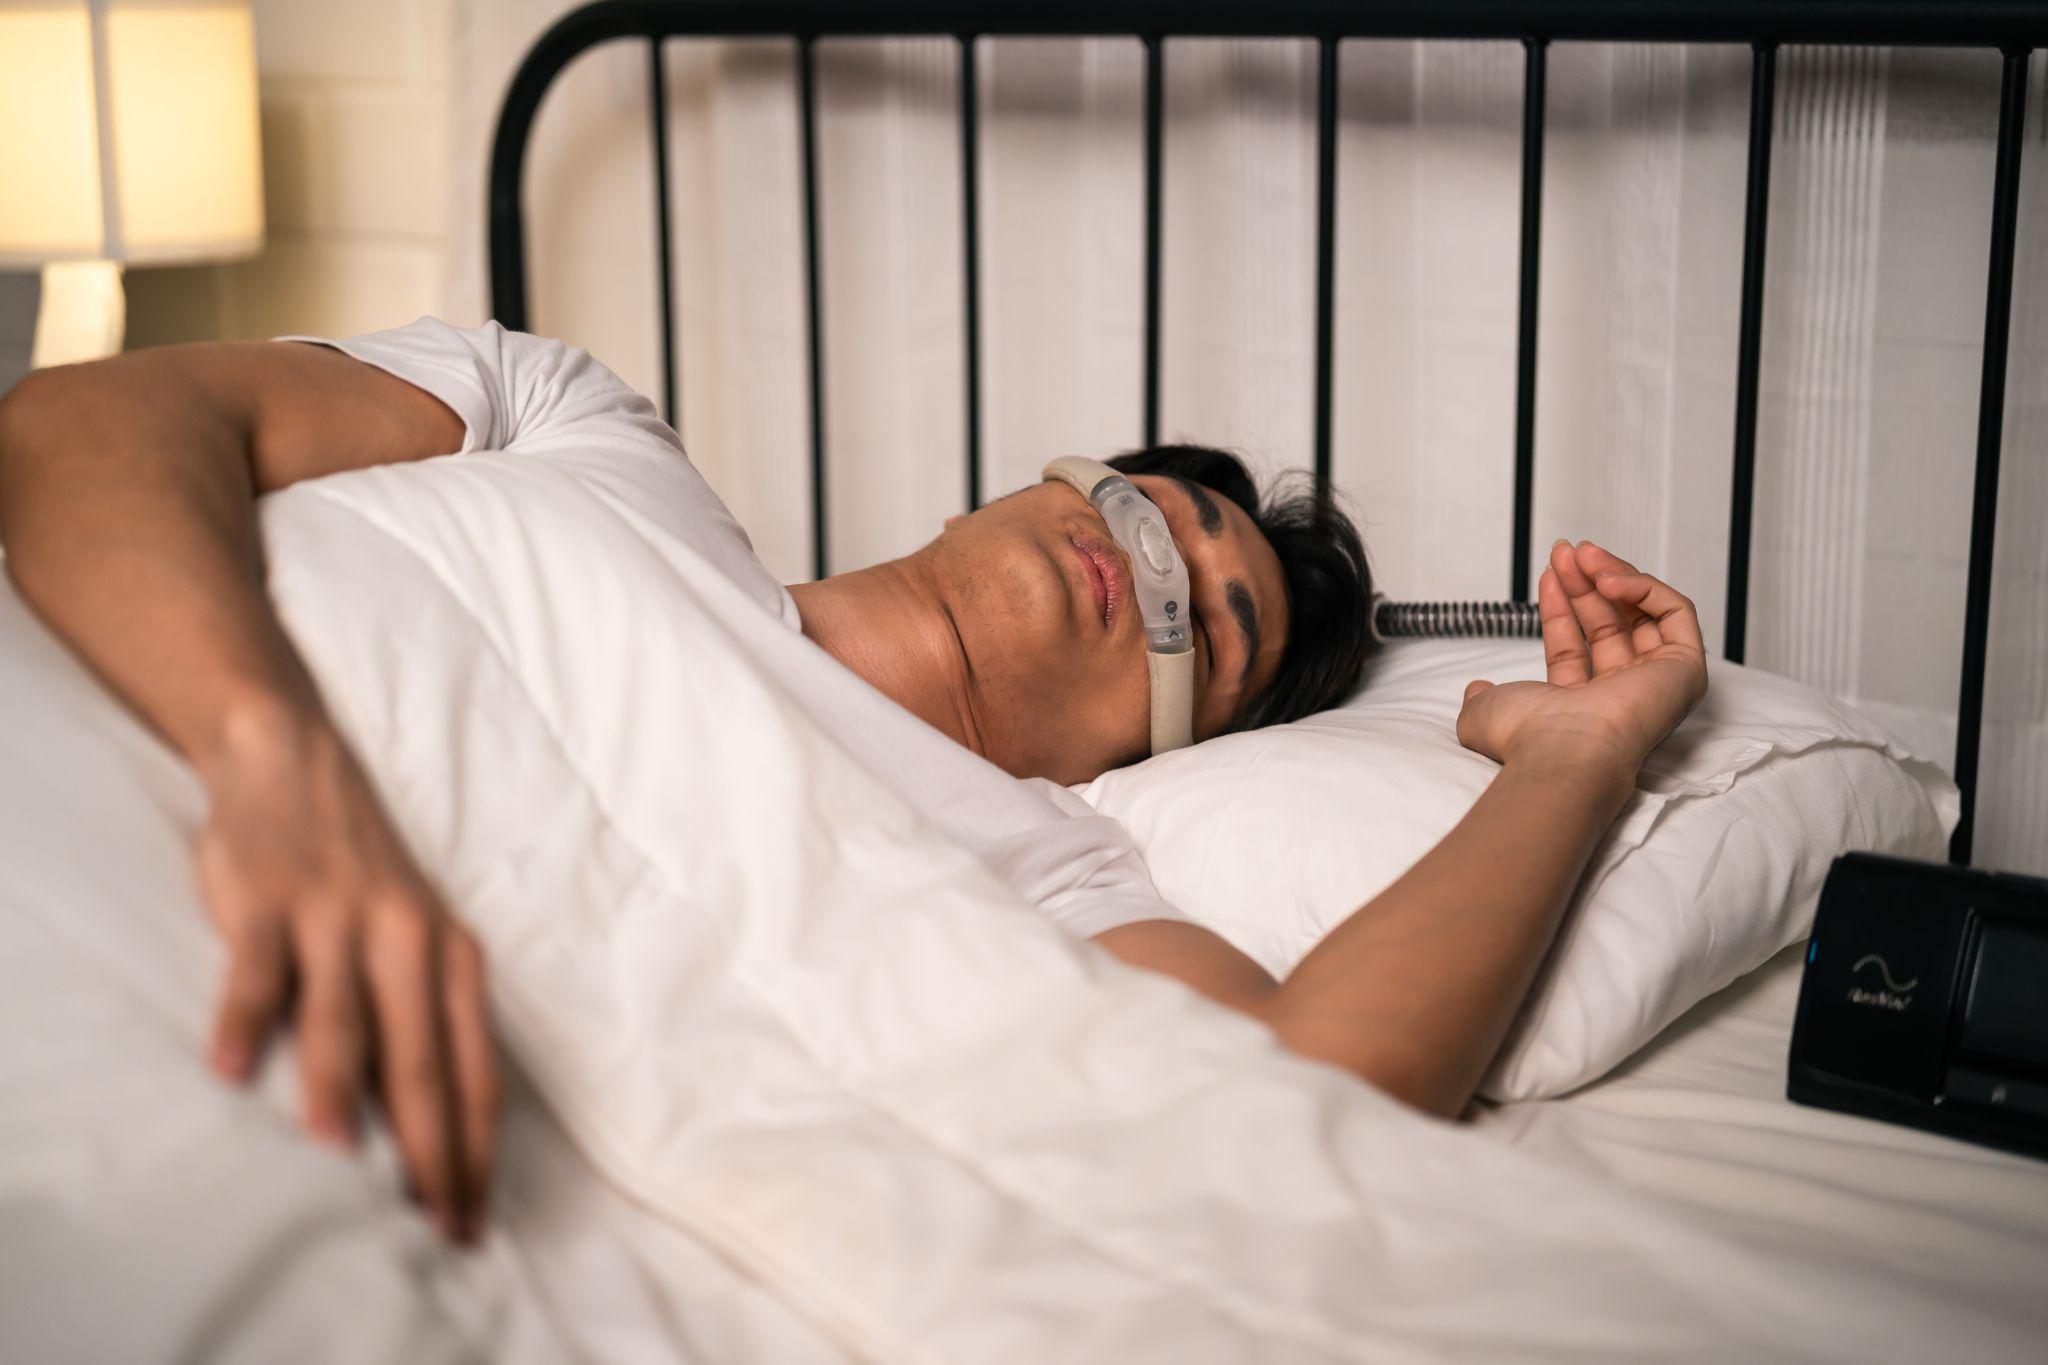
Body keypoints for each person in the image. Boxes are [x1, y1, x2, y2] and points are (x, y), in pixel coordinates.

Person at [0, 319, 1707, 1245]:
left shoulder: (1056, 872)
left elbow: (1319, 1081)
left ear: (1165, 750)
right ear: (1019, 489)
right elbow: (86, 425)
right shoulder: (578, 425)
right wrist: (266, 749)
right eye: (1141, 499)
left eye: (1216, 616)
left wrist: (1574, 751)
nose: (1154, 554)